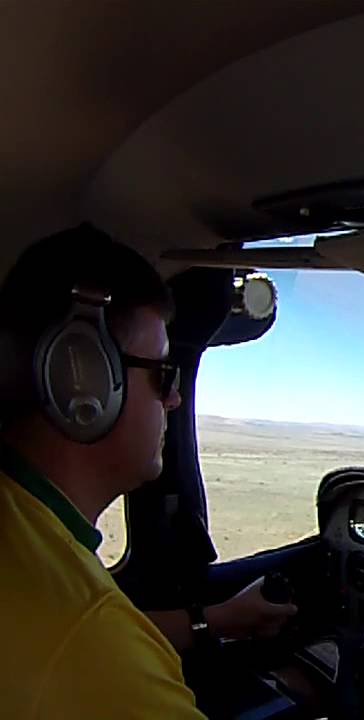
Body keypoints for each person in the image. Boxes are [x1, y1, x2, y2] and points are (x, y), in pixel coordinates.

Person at [0, 225, 295, 717]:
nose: (175, 398)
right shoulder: (88, 642)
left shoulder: (27, 533)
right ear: (81, 384)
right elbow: (92, 642)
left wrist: (217, 620)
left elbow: (108, 634)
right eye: (162, 374)